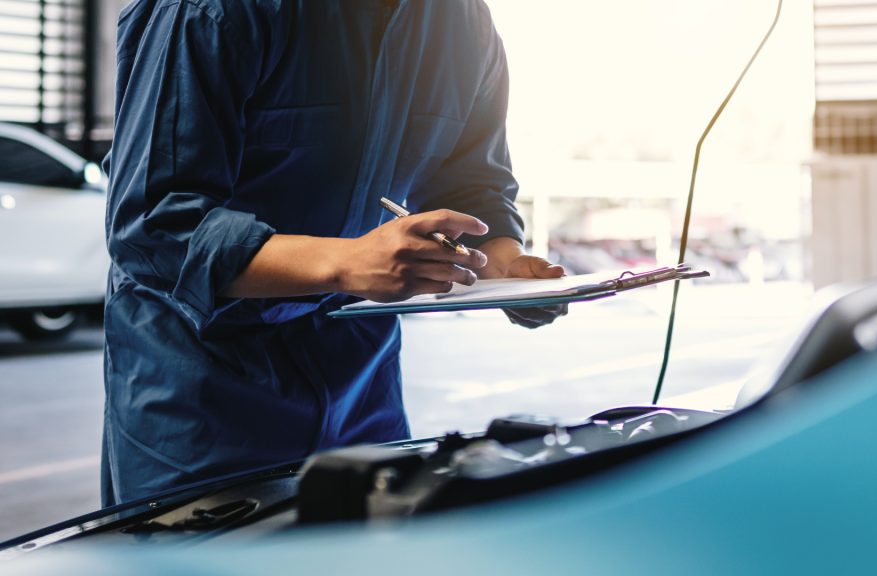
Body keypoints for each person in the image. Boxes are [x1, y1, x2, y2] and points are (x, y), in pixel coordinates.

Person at [102, 0, 564, 506]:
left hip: (361, 374)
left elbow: (473, 182)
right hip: (202, 388)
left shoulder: (462, 20)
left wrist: (503, 262)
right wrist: (347, 264)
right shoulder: (209, 10)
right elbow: (154, 222)